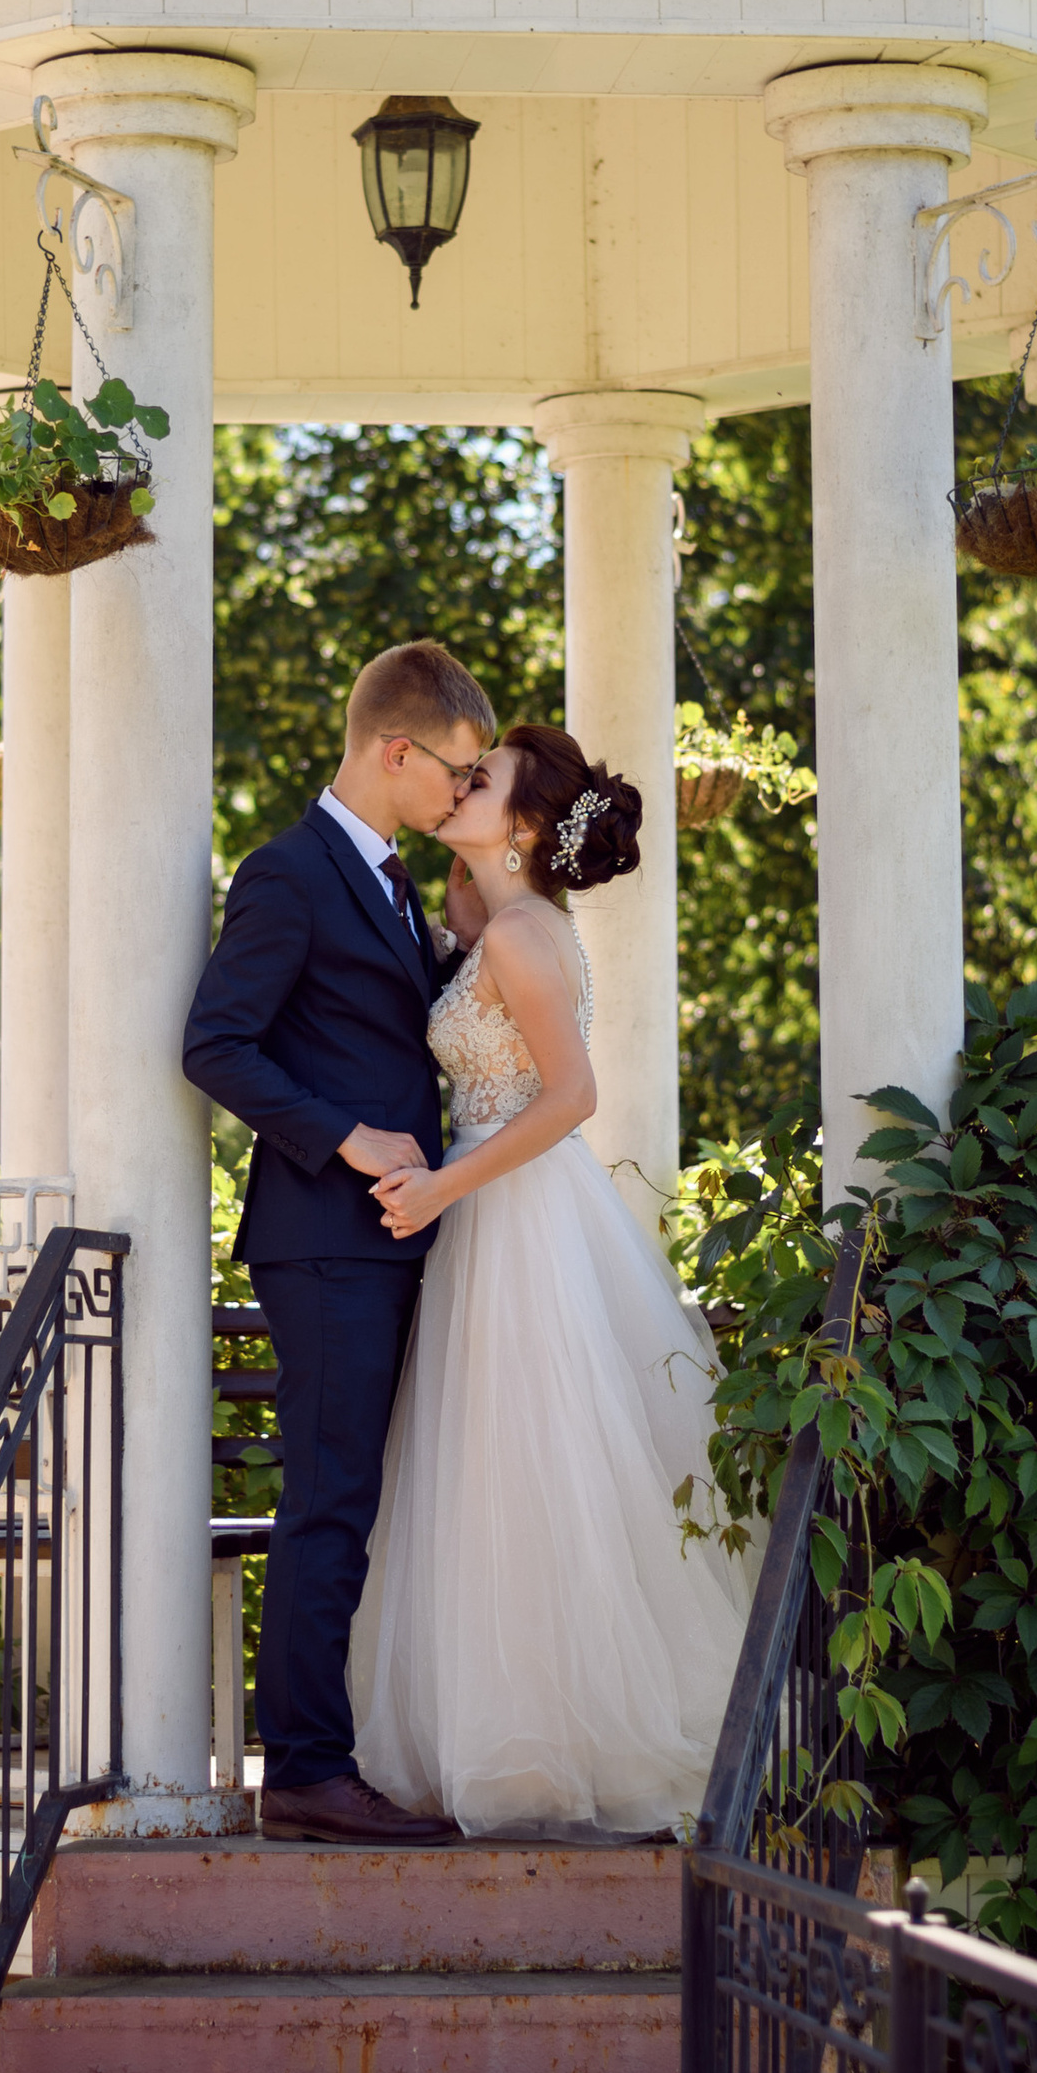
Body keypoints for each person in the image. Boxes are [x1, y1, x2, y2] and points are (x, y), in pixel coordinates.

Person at [348, 722, 755, 1837]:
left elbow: (570, 1097)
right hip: (486, 1212)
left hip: (517, 1213)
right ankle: (502, 1733)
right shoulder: (493, 918)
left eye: (481, 781)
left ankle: (569, 1747)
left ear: (524, 826)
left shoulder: (528, 936)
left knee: (536, 1469)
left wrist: (440, 1187)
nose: (458, 784)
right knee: (487, 1472)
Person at [182, 640, 497, 1844]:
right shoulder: (288, 873)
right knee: (331, 1502)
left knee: (368, 1499)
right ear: (395, 750)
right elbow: (215, 1044)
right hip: (324, 1239)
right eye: (458, 773)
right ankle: (307, 1772)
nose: (464, 795)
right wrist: (345, 1138)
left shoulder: (392, 879)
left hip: (392, 1240)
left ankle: (342, 1749)